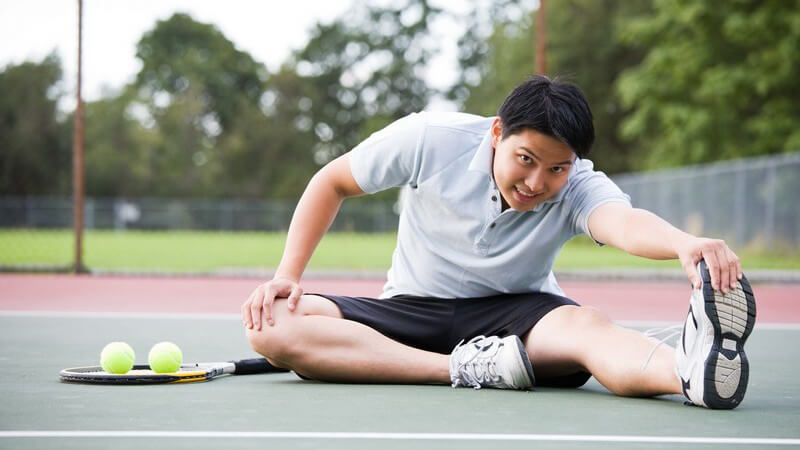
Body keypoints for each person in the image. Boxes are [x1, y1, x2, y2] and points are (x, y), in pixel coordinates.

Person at [241, 75, 756, 409]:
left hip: (517, 322)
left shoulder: (578, 185)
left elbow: (622, 221)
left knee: (588, 327)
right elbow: (331, 182)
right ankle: (459, 370)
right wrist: (287, 277)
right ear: (496, 133)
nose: (537, 183)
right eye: (526, 160)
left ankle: (689, 373)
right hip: (409, 311)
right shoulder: (429, 138)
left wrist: (683, 242)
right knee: (272, 327)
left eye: (557, 168)